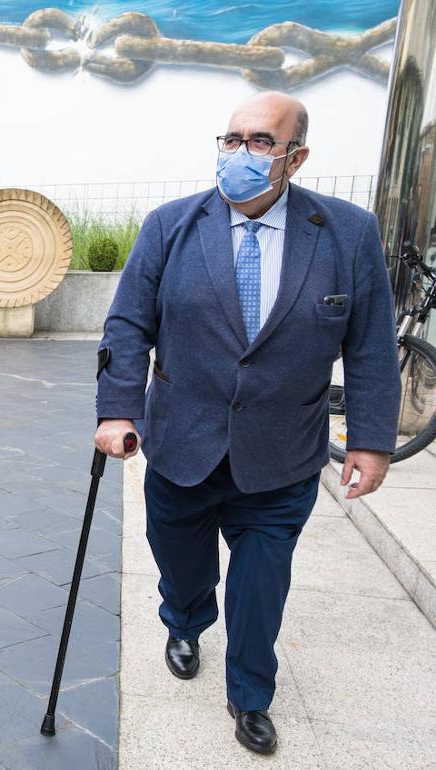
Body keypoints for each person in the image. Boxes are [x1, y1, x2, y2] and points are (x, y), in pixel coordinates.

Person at [95, 92, 400, 755]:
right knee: (183, 570)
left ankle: (251, 693)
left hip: (281, 454)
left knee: (262, 586)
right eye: (231, 140)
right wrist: (119, 408)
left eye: (260, 142)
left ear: (298, 156)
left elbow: (371, 344)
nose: (240, 154)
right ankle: (184, 617)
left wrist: (372, 441)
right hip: (180, 445)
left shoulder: (347, 232)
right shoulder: (170, 226)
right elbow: (127, 324)